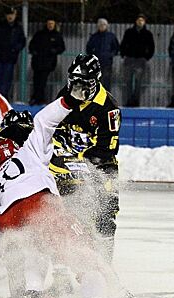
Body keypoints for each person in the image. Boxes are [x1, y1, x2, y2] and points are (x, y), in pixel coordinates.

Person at [0, 86, 141, 298]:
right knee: (86, 258)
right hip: (40, 204)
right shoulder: (35, 146)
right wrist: (67, 100)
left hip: (8, 215)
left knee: (33, 248)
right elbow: (45, 120)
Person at [57, 54, 121, 264]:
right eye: (74, 83)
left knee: (105, 217)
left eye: (83, 84)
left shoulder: (108, 107)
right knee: (64, 215)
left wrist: (81, 163)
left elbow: (107, 147)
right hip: (66, 166)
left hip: (101, 168)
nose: (77, 89)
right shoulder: (65, 96)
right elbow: (53, 128)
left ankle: (104, 267)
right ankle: (64, 271)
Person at [0, 7, 26, 98]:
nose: (10, 16)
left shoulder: (18, 28)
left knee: (7, 79)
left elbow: (22, 41)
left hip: (10, 58)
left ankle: (3, 97)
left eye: (12, 14)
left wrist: (15, 49)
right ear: (6, 15)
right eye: (9, 14)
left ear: (15, 15)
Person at [119, 13, 155, 107]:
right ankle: (129, 101)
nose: (140, 22)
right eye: (139, 20)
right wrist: (123, 54)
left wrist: (146, 57)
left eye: (142, 20)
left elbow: (151, 47)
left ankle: (136, 102)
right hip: (130, 59)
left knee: (138, 83)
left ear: (144, 22)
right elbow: (123, 43)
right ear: (136, 21)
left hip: (140, 60)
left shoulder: (147, 34)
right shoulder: (129, 32)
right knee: (128, 82)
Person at [28, 18, 65, 105]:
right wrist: (34, 51)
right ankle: (35, 98)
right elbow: (32, 45)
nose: (50, 25)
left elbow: (61, 48)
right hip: (37, 62)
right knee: (36, 81)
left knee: (43, 82)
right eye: (49, 23)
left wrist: (54, 51)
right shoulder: (39, 34)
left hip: (48, 63)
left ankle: (40, 98)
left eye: (52, 23)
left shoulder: (57, 35)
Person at [86, 18, 119, 91]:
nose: (102, 26)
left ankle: (106, 100)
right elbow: (88, 48)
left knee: (106, 82)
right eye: (100, 25)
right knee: (96, 83)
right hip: (96, 64)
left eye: (104, 25)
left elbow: (116, 48)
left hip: (107, 63)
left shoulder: (111, 36)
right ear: (98, 26)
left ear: (107, 26)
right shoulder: (94, 37)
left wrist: (110, 55)